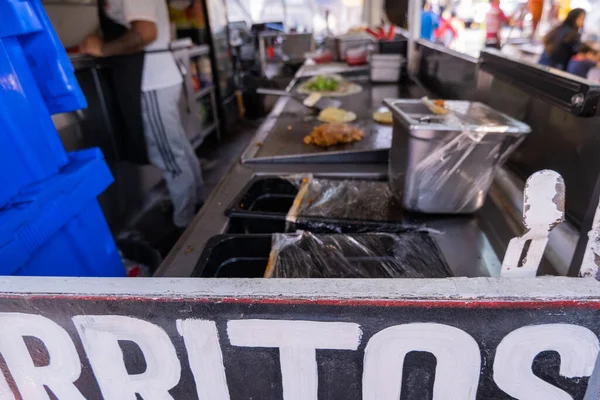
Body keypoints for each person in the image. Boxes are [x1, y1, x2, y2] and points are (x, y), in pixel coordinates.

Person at [80, 0, 204, 229]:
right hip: (156, 80)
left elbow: (145, 33)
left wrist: (103, 49)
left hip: (151, 81)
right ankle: (198, 206)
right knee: (178, 148)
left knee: (171, 157)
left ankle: (186, 224)